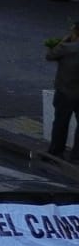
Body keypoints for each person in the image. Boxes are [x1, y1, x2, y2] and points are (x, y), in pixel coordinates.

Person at [47, 19, 79, 159]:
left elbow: (50, 55)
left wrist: (64, 41)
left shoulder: (67, 47)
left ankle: (56, 151)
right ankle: (76, 155)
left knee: (61, 121)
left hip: (65, 90)